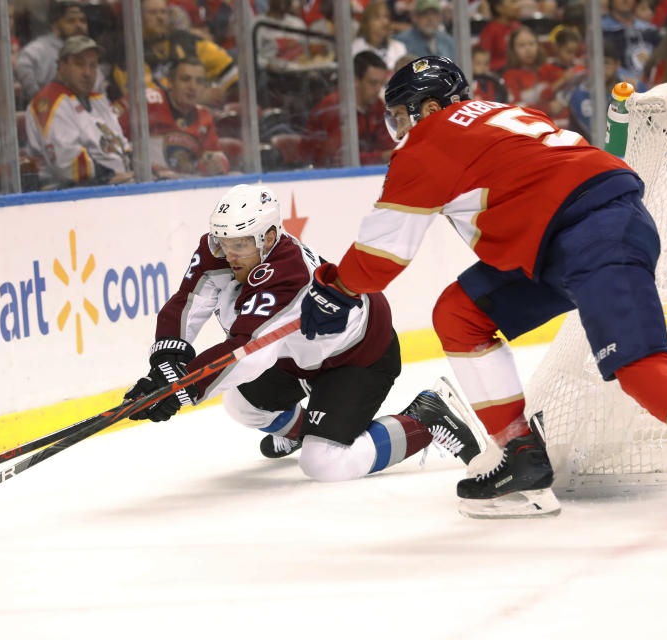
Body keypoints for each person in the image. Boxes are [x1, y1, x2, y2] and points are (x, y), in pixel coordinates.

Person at [299, 56, 667, 514]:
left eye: (400, 115)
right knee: (460, 313)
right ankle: (520, 457)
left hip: (593, 235)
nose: (399, 128)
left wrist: (336, 287)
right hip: (565, 242)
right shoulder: (502, 113)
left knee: (642, 368)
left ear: (428, 108)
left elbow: (380, 257)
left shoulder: (430, 140)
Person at [124, 183, 482, 483]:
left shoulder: (287, 273)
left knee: (324, 463)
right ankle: (306, 430)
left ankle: (425, 418)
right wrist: (168, 362)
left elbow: (249, 351)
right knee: (240, 404)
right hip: (298, 358)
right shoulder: (219, 249)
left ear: (268, 237)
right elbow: (190, 301)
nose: (228, 253)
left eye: (240, 244)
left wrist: (181, 389)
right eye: (223, 241)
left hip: (355, 357)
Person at [24, 35, 132, 186]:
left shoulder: (98, 100)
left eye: (93, 65)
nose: (87, 73)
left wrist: (146, 170)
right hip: (67, 194)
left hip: (112, 185)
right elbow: (67, 163)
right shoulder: (50, 101)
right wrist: (110, 176)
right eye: (79, 64)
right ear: (62, 66)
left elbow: (121, 144)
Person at [112, 0, 237, 107]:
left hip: (199, 122)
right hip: (155, 127)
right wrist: (197, 97)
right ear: (138, 18)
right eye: (152, 13)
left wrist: (228, 94)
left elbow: (231, 72)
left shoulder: (187, 41)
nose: (160, 18)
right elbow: (145, 100)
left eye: (163, 12)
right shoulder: (129, 53)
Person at [118, 57, 229, 178]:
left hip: (183, 186)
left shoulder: (203, 115)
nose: (193, 87)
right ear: (170, 82)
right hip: (147, 186)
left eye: (199, 81)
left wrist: (216, 163)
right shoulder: (146, 102)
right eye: (185, 79)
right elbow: (109, 130)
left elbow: (216, 155)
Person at [304, 50, 396, 167]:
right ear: (356, 81)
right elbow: (339, 159)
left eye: (382, 83)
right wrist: (383, 156)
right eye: (373, 83)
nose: (379, 89)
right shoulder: (333, 109)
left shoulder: (377, 105)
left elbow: (389, 144)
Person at [14, 0, 103, 104]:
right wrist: (39, 100)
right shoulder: (38, 49)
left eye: (83, 21)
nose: (79, 25)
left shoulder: (90, 53)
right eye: (71, 21)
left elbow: (100, 92)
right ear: (55, 25)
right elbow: (21, 66)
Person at [602, 0, 661, 84]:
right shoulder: (601, 30)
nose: (625, 0)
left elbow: (661, 64)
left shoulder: (650, 31)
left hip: (650, 88)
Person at [352, 1, 407, 72]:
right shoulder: (356, 48)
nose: (385, 22)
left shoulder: (399, 48)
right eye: (377, 17)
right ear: (366, 22)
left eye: (386, 16)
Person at [478, 0, 521, 73]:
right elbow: (483, 60)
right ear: (499, 8)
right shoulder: (490, 31)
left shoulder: (518, 27)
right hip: (498, 74)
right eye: (513, 3)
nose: (518, 6)